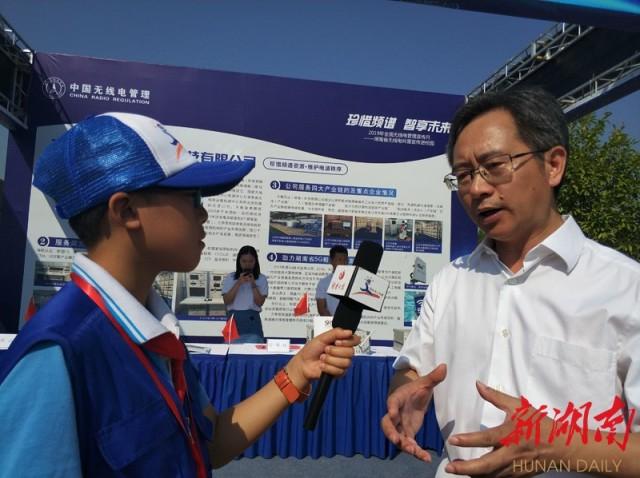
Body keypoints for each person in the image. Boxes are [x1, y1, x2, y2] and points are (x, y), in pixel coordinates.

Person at [0, 112, 360, 477]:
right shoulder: (55, 354)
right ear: (126, 211)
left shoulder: (158, 330)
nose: (203, 215)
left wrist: (297, 372)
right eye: (193, 197)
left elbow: (209, 443)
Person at [381, 88, 640, 477]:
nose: (477, 188)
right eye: (463, 175)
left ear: (553, 165)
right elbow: (413, 369)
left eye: (494, 165)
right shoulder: (451, 282)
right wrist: (405, 390)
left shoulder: (625, 288)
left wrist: (559, 446)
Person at [221, 245, 268, 342]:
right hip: (234, 320)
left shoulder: (261, 278)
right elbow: (227, 301)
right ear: (239, 261)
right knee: (232, 352)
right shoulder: (231, 277)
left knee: (254, 352)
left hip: (252, 320)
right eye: (244, 261)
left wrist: (253, 284)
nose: (247, 264)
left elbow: (260, 303)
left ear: (256, 261)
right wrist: (238, 283)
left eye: (251, 261)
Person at [315, 245, 349, 316]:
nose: (343, 263)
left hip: (350, 325)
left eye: (345, 260)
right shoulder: (323, 283)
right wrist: (333, 323)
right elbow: (322, 309)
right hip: (331, 324)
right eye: (339, 260)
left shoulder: (353, 281)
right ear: (331, 261)